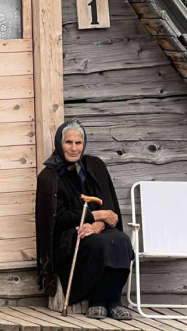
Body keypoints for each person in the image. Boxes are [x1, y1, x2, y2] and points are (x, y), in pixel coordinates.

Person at [35, 120, 135, 320]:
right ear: (59, 143)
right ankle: (98, 300)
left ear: (84, 144)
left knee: (121, 240)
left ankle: (114, 300)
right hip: (68, 235)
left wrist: (97, 225)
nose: (74, 148)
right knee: (98, 243)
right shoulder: (49, 176)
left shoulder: (95, 166)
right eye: (68, 142)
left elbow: (109, 208)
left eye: (78, 143)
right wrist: (95, 216)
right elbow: (59, 219)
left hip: (100, 229)